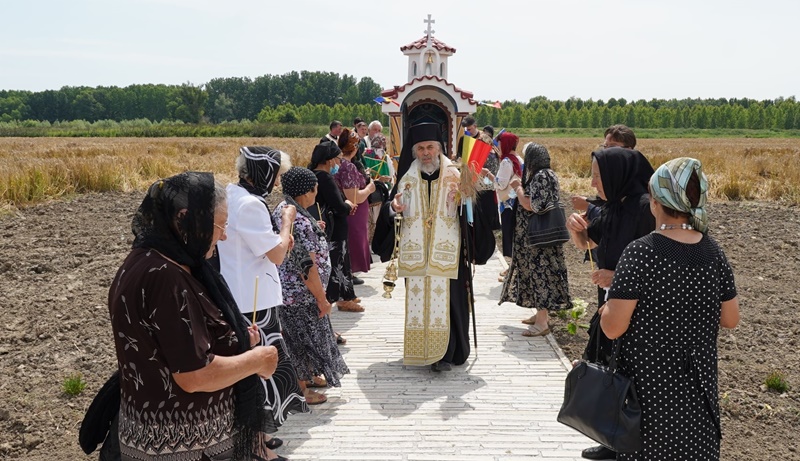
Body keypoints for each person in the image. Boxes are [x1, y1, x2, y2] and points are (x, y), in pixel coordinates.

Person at [109, 172, 280, 460]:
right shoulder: (166, 278)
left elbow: (172, 341)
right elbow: (194, 375)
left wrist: (234, 340)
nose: (223, 235)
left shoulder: (146, 259)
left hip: (156, 434)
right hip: (182, 444)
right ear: (185, 218)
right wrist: (258, 359)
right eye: (220, 225)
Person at [600, 157, 740, 461]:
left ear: (656, 201)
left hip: (648, 400)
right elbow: (730, 318)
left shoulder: (640, 253)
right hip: (698, 399)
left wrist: (606, 311)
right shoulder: (713, 251)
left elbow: (613, 327)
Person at [372, 122, 494, 372]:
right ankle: (423, 350)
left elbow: (474, 216)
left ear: (439, 149)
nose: (426, 153)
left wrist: (464, 199)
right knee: (420, 305)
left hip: (447, 255)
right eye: (421, 149)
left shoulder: (456, 176)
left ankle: (446, 355)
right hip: (416, 255)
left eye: (430, 147)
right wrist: (393, 209)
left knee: (450, 304)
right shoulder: (406, 179)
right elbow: (390, 209)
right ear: (414, 151)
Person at [565, 146, 655, 461]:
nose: (593, 185)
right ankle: (610, 439)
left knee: (631, 381)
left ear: (617, 175)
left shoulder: (647, 210)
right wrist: (577, 230)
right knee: (609, 373)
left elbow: (656, 265)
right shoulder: (612, 208)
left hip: (639, 313)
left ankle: (632, 444)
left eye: (597, 177)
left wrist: (615, 275)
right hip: (608, 308)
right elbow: (588, 244)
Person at [216, 146, 309, 452]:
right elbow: (278, 254)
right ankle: (258, 444)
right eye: (277, 175)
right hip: (254, 299)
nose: (278, 182)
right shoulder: (252, 206)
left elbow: (264, 244)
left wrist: (278, 238)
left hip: (239, 291)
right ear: (265, 174)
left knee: (259, 368)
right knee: (262, 372)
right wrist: (287, 223)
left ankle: (263, 438)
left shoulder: (232, 194)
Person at [273, 166, 350, 405]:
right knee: (302, 341)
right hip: (302, 294)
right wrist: (321, 298)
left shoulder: (285, 209)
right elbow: (306, 265)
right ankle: (301, 390)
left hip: (292, 293)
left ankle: (309, 377)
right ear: (308, 190)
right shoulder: (299, 222)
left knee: (304, 338)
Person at [499, 143, 571, 335]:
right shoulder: (546, 174)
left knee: (541, 276)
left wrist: (518, 187)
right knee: (535, 274)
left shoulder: (542, 176)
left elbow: (531, 205)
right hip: (534, 239)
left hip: (538, 240)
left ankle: (542, 323)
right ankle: (541, 315)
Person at [308, 141, 363, 312]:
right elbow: (337, 205)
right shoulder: (324, 177)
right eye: (337, 159)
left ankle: (345, 297)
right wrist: (348, 205)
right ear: (329, 160)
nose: (338, 163)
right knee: (336, 264)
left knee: (338, 264)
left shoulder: (311, 174)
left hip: (323, 227)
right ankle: (335, 300)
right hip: (334, 228)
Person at [335, 128, 377, 280]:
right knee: (353, 240)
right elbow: (353, 198)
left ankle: (348, 271)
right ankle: (349, 271)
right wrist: (369, 189)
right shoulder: (349, 167)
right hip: (354, 213)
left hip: (351, 212)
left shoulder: (339, 164)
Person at [495, 131, 523, 280]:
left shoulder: (507, 162)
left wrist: (490, 177)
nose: (498, 146)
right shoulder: (519, 159)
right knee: (516, 235)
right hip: (517, 201)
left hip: (507, 205)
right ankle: (513, 268)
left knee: (510, 236)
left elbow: (501, 183)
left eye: (500, 143)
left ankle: (513, 271)